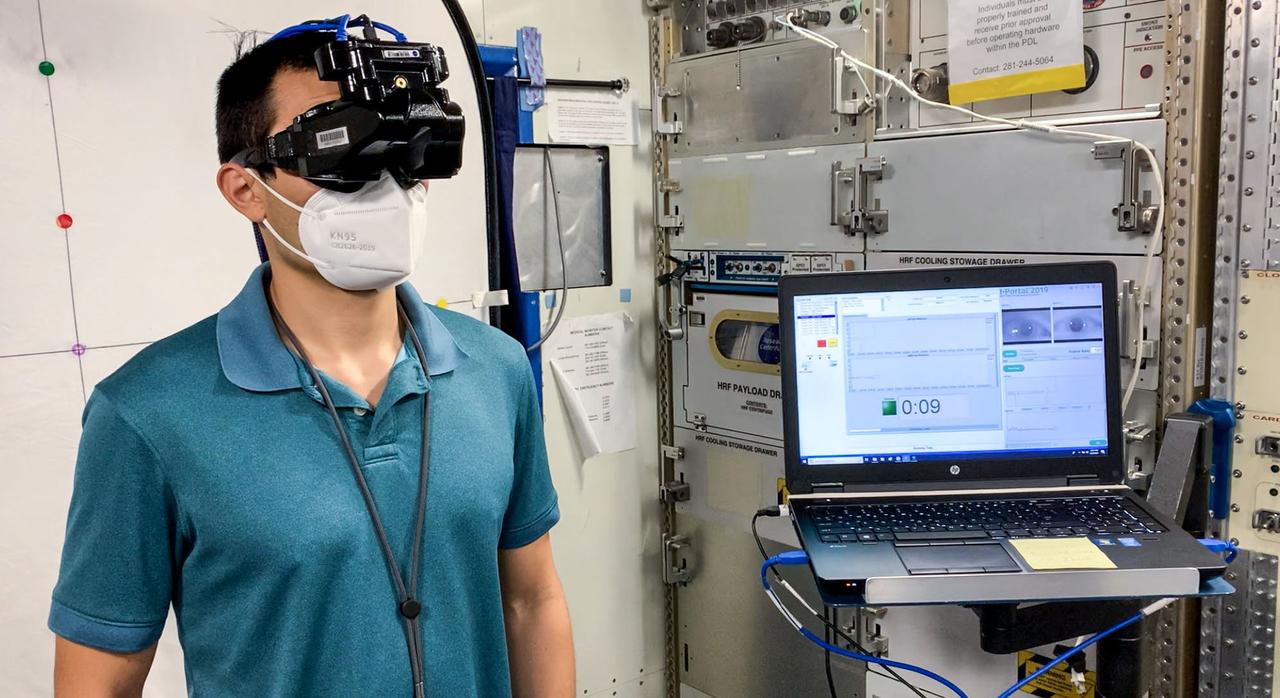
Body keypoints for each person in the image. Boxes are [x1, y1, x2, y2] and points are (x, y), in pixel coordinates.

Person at [48, 27, 574, 697]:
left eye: (404, 156)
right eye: (343, 153)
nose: (385, 188)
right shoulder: (148, 414)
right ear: (245, 190)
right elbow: (99, 681)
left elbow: (532, 602)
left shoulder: (496, 370)